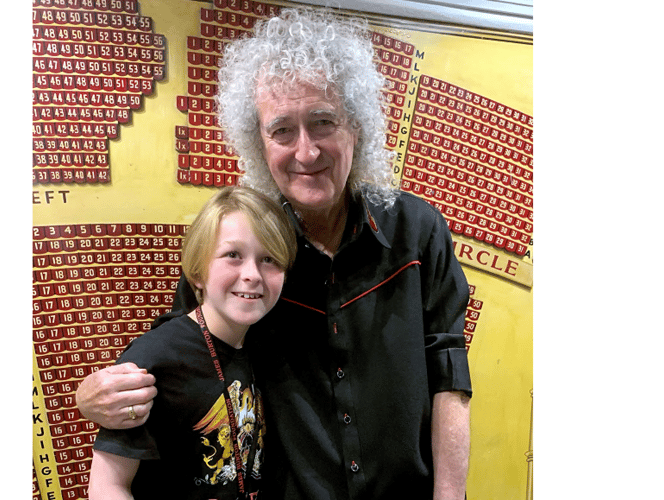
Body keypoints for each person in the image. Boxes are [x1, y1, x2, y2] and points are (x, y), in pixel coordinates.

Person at [78, 8, 472, 500]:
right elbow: (182, 358)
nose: (305, 152)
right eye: (282, 130)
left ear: (357, 126)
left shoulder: (419, 231)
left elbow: (449, 376)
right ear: (258, 142)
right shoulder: (243, 252)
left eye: (323, 122)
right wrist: (100, 395)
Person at [87, 186, 297, 500]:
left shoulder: (264, 346)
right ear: (198, 272)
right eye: (233, 255)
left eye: (269, 259)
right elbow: (107, 486)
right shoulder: (155, 356)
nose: (252, 274)